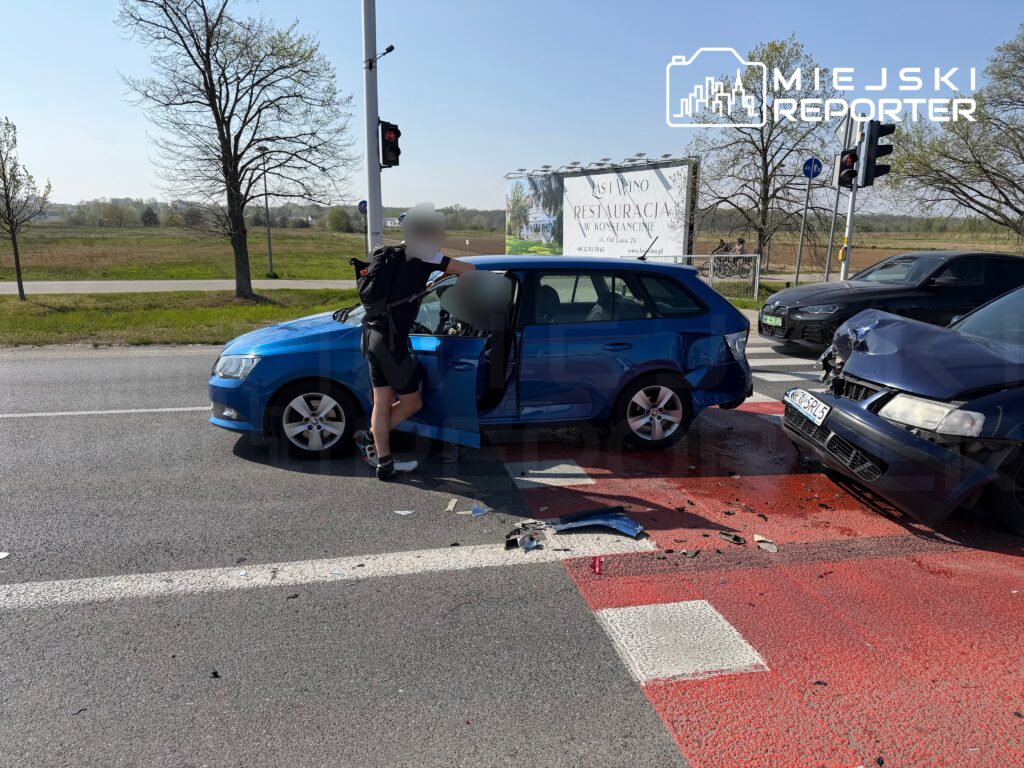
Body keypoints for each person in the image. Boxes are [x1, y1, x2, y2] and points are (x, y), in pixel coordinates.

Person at [352, 203, 475, 480]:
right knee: (412, 403)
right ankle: (370, 437)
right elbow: (469, 269)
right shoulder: (426, 254)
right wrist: (443, 271)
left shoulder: (387, 253)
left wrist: (433, 277)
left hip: (371, 335)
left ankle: (383, 462)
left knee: (382, 402)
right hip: (393, 342)